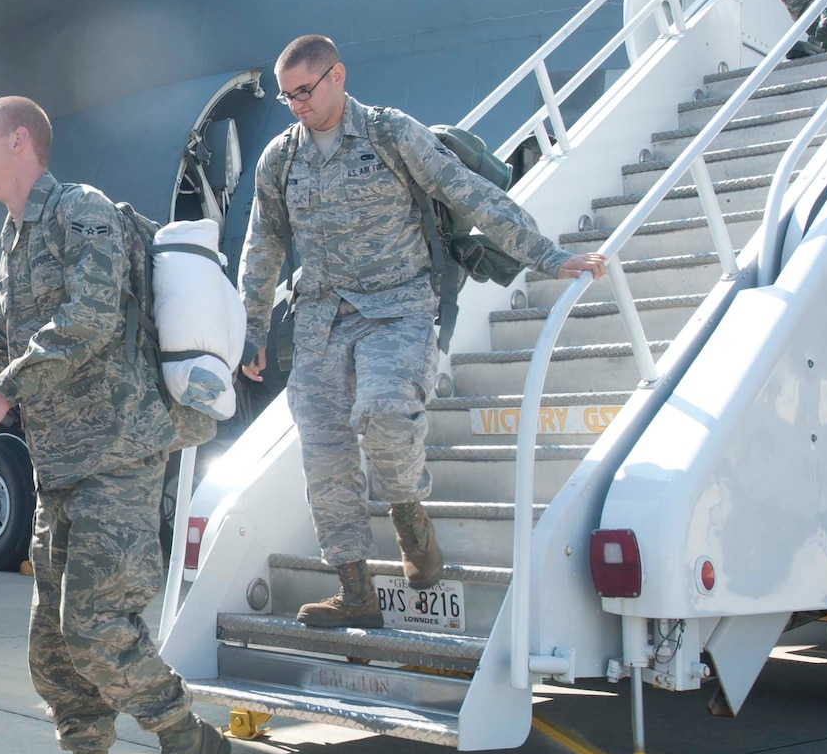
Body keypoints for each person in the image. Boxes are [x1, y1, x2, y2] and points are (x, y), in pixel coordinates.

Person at [0, 96, 228, 754]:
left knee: (98, 628)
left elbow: (91, 318)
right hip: (61, 463)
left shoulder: (79, 211)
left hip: (120, 452)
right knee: (54, 648)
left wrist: (2, 394)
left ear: (20, 141)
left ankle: (185, 735)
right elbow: (5, 352)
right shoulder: (13, 238)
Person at [238, 35, 606, 628]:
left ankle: (411, 519)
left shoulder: (390, 133)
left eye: (304, 90)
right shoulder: (280, 159)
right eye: (286, 97)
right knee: (325, 458)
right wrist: (252, 327)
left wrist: (545, 254)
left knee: (384, 412)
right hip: (321, 322)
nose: (297, 104)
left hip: (399, 307)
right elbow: (263, 246)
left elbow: (470, 193)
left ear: (338, 75)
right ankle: (354, 590)